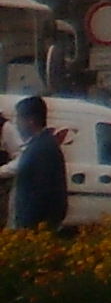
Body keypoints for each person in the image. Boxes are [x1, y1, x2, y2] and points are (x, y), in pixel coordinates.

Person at [9, 93, 68, 230]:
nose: (16, 124)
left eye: (18, 118)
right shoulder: (38, 145)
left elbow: (41, 192)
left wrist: (29, 225)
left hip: (36, 227)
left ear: (30, 120)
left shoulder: (42, 149)